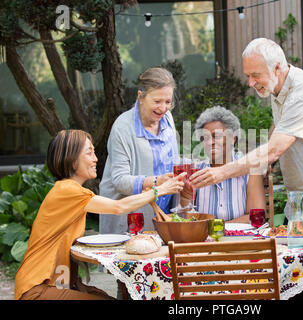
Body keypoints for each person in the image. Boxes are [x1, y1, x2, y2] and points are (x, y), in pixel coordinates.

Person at [189, 38, 303, 300]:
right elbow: (277, 132)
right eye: (248, 75)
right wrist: (265, 162)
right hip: (302, 196)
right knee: (300, 274)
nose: (250, 82)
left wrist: (221, 172)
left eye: (255, 75)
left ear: (278, 67)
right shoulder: (278, 88)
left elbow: (275, 147)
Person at [14, 130, 185, 300]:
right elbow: (118, 207)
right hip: (37, 289)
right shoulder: (68, 190)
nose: (95, 159)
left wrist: (154, 185)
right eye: (89, 152)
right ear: (71, 158)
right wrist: (160, 190)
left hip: (58, 283)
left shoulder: (71, 191)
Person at [99, 67, 179, 234]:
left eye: (168, 102)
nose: (163, 108)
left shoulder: (167, 119)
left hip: (163, 216)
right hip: (131, 220)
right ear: (140, 96)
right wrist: (156, 181)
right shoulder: (123, 128)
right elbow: (120, 181)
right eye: (157, 101)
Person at [180, 106, 266, 222]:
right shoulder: (195, 171)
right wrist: (186, 197)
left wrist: (219, 229)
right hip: (203, 238)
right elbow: (186, 219)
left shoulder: (249, 169)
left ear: (233, 139)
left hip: (241, 238)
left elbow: (256, 217)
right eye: (205, 138)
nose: (210, 142)